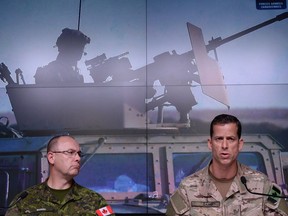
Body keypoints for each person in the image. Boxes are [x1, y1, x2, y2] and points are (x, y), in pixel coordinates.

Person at [166, 114, 288, 215]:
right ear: (210, 143)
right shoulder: (187, 189)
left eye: (230, 139)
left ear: (240, 144)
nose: (224, 146)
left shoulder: (263, 186)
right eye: (219, 139)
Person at [5, 134, 114, 216]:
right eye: (70, 152)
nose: (77, 158)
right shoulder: (24, 201)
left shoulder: (96, 201)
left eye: (79, 154)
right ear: (51, 157)